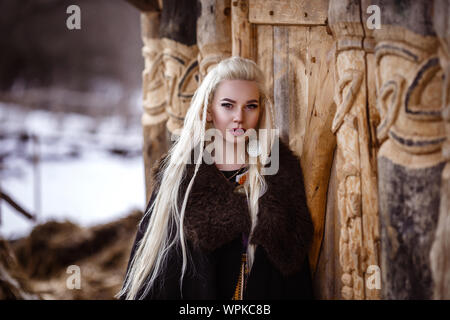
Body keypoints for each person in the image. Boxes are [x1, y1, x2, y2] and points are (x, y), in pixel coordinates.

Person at [117, 56, 314, 300]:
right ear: (209, 111)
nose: (239, 117)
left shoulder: (280, 175)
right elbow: (154, 271)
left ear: (261, 111)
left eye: (250, 106)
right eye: (228, 105)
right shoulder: (182, 177)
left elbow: (294, 274)